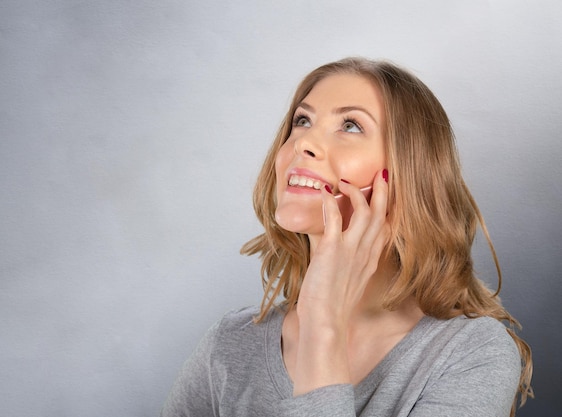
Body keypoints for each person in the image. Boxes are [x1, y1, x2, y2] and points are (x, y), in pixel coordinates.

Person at [160, 57, 533, 416]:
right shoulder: (229, 344)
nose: (302, 143)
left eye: (351, 125)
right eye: (302, 120)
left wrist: (323, 326)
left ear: (409, 174)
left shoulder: (470, 353)